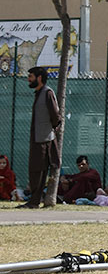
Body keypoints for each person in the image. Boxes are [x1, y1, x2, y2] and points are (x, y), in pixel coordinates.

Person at [19, 66, 61, 208]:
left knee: (39, 171)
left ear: (39, 78)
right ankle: (34, 200)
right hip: (38, 138)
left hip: (44, 139)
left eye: (31, 76)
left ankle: (35, 201)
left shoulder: (47, 93)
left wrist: (52, 129)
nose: (28, 80)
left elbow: (55, 116)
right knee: (35, 171)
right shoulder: (39, 93)